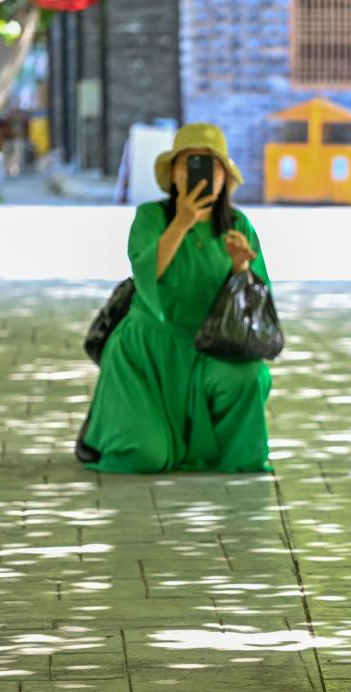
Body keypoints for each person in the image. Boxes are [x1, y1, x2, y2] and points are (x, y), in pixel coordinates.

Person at [76, 123, 274, 474]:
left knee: (247, 376)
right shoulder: (151, 216)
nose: (201, 173)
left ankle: (232, 457)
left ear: (224, 176)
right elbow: (147, 272)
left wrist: (242, 267)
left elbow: (256, 303)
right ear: (174, 176)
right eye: (190, 164)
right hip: (145, 354)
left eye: (210, 165)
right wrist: (181, 223)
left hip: (211, 348)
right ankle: (106, 430)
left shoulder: (238, 224)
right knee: (145, 457)